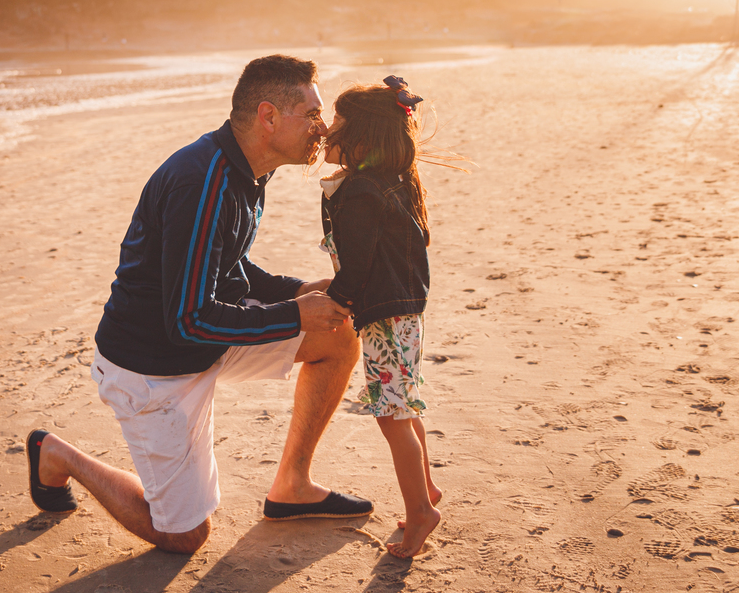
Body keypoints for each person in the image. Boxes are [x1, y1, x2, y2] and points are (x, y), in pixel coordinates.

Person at [25, 54, 371, 555]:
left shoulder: (250, 170)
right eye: (312, 114)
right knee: (184, 536)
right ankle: (56, 455)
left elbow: (229, 269)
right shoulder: (201, 181)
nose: (322, 127)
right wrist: (296, 314)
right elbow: (188, 319)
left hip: (200, 338)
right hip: (151, 366)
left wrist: (298, 292)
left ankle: (291, 487)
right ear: (269, 117)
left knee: (337, 336)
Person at [318, 76, 447, 558]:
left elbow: (358, 263)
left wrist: (337, 302)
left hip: (385, 315)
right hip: (405, 309)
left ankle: (421, 514)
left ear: (362, 139)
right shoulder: (390, 180)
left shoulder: (361, 191)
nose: (328, 130)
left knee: (391, 413)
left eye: (337, 123)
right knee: (404, 403)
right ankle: (426, 490)